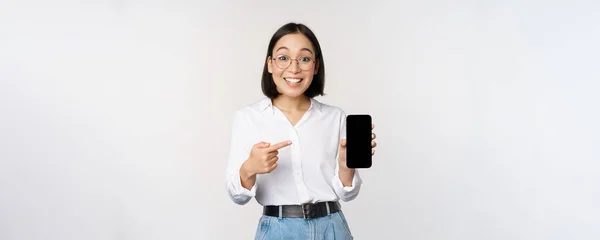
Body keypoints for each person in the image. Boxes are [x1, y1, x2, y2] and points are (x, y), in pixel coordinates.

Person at [225, 22, 378, 240]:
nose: (294, 68)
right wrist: (249, 168)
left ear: (316, 67)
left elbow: (348, 193)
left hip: (332, 227)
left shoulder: (335, 118)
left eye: (304, 59)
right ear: (269, 64)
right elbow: (237, 196)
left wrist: (346, 166)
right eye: (283, 58)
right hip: (277, 231)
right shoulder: (248, 118)